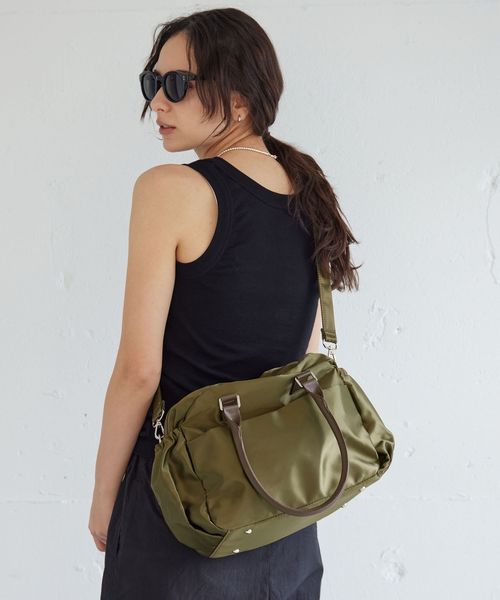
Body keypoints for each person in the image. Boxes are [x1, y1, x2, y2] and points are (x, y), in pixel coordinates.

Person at [89, 7, 360, 599]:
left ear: (238, 100)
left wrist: (104, 498)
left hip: (182, 502)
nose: (157, 102)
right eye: (152, 82)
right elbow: (302, 354)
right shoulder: (308, 189)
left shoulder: (170, 189)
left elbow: (138, 372)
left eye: (176, 84)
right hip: (283, 505)